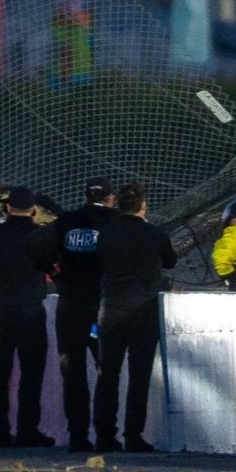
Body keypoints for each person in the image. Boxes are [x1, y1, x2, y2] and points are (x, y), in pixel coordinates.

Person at [93, 182, 177, 453]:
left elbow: (97, 262)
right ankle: (133, 434)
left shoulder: (106, 234)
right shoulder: (154, 233)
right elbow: (170, 260)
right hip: (144, 311)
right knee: (139, 375)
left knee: (108, 374)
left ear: (119, 205)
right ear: (143, 206)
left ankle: (105, 435)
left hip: (111, 309)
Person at [0, 185, 55, 448]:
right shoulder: (40, 235)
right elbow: (52, 265)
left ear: (8, 207)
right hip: (30, 312)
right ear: (33, 209)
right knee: (31, 373)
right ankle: (27, 429)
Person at [45, 178, 116, 453]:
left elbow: (35, 249)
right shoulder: (116, 221)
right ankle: (106, 435)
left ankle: (77, 435)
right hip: (101, 307)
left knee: (73, 372)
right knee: (105, 371)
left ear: (86, 197)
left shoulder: (66, 221)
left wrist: (57, 275)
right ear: (110, 198)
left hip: (70, 306)